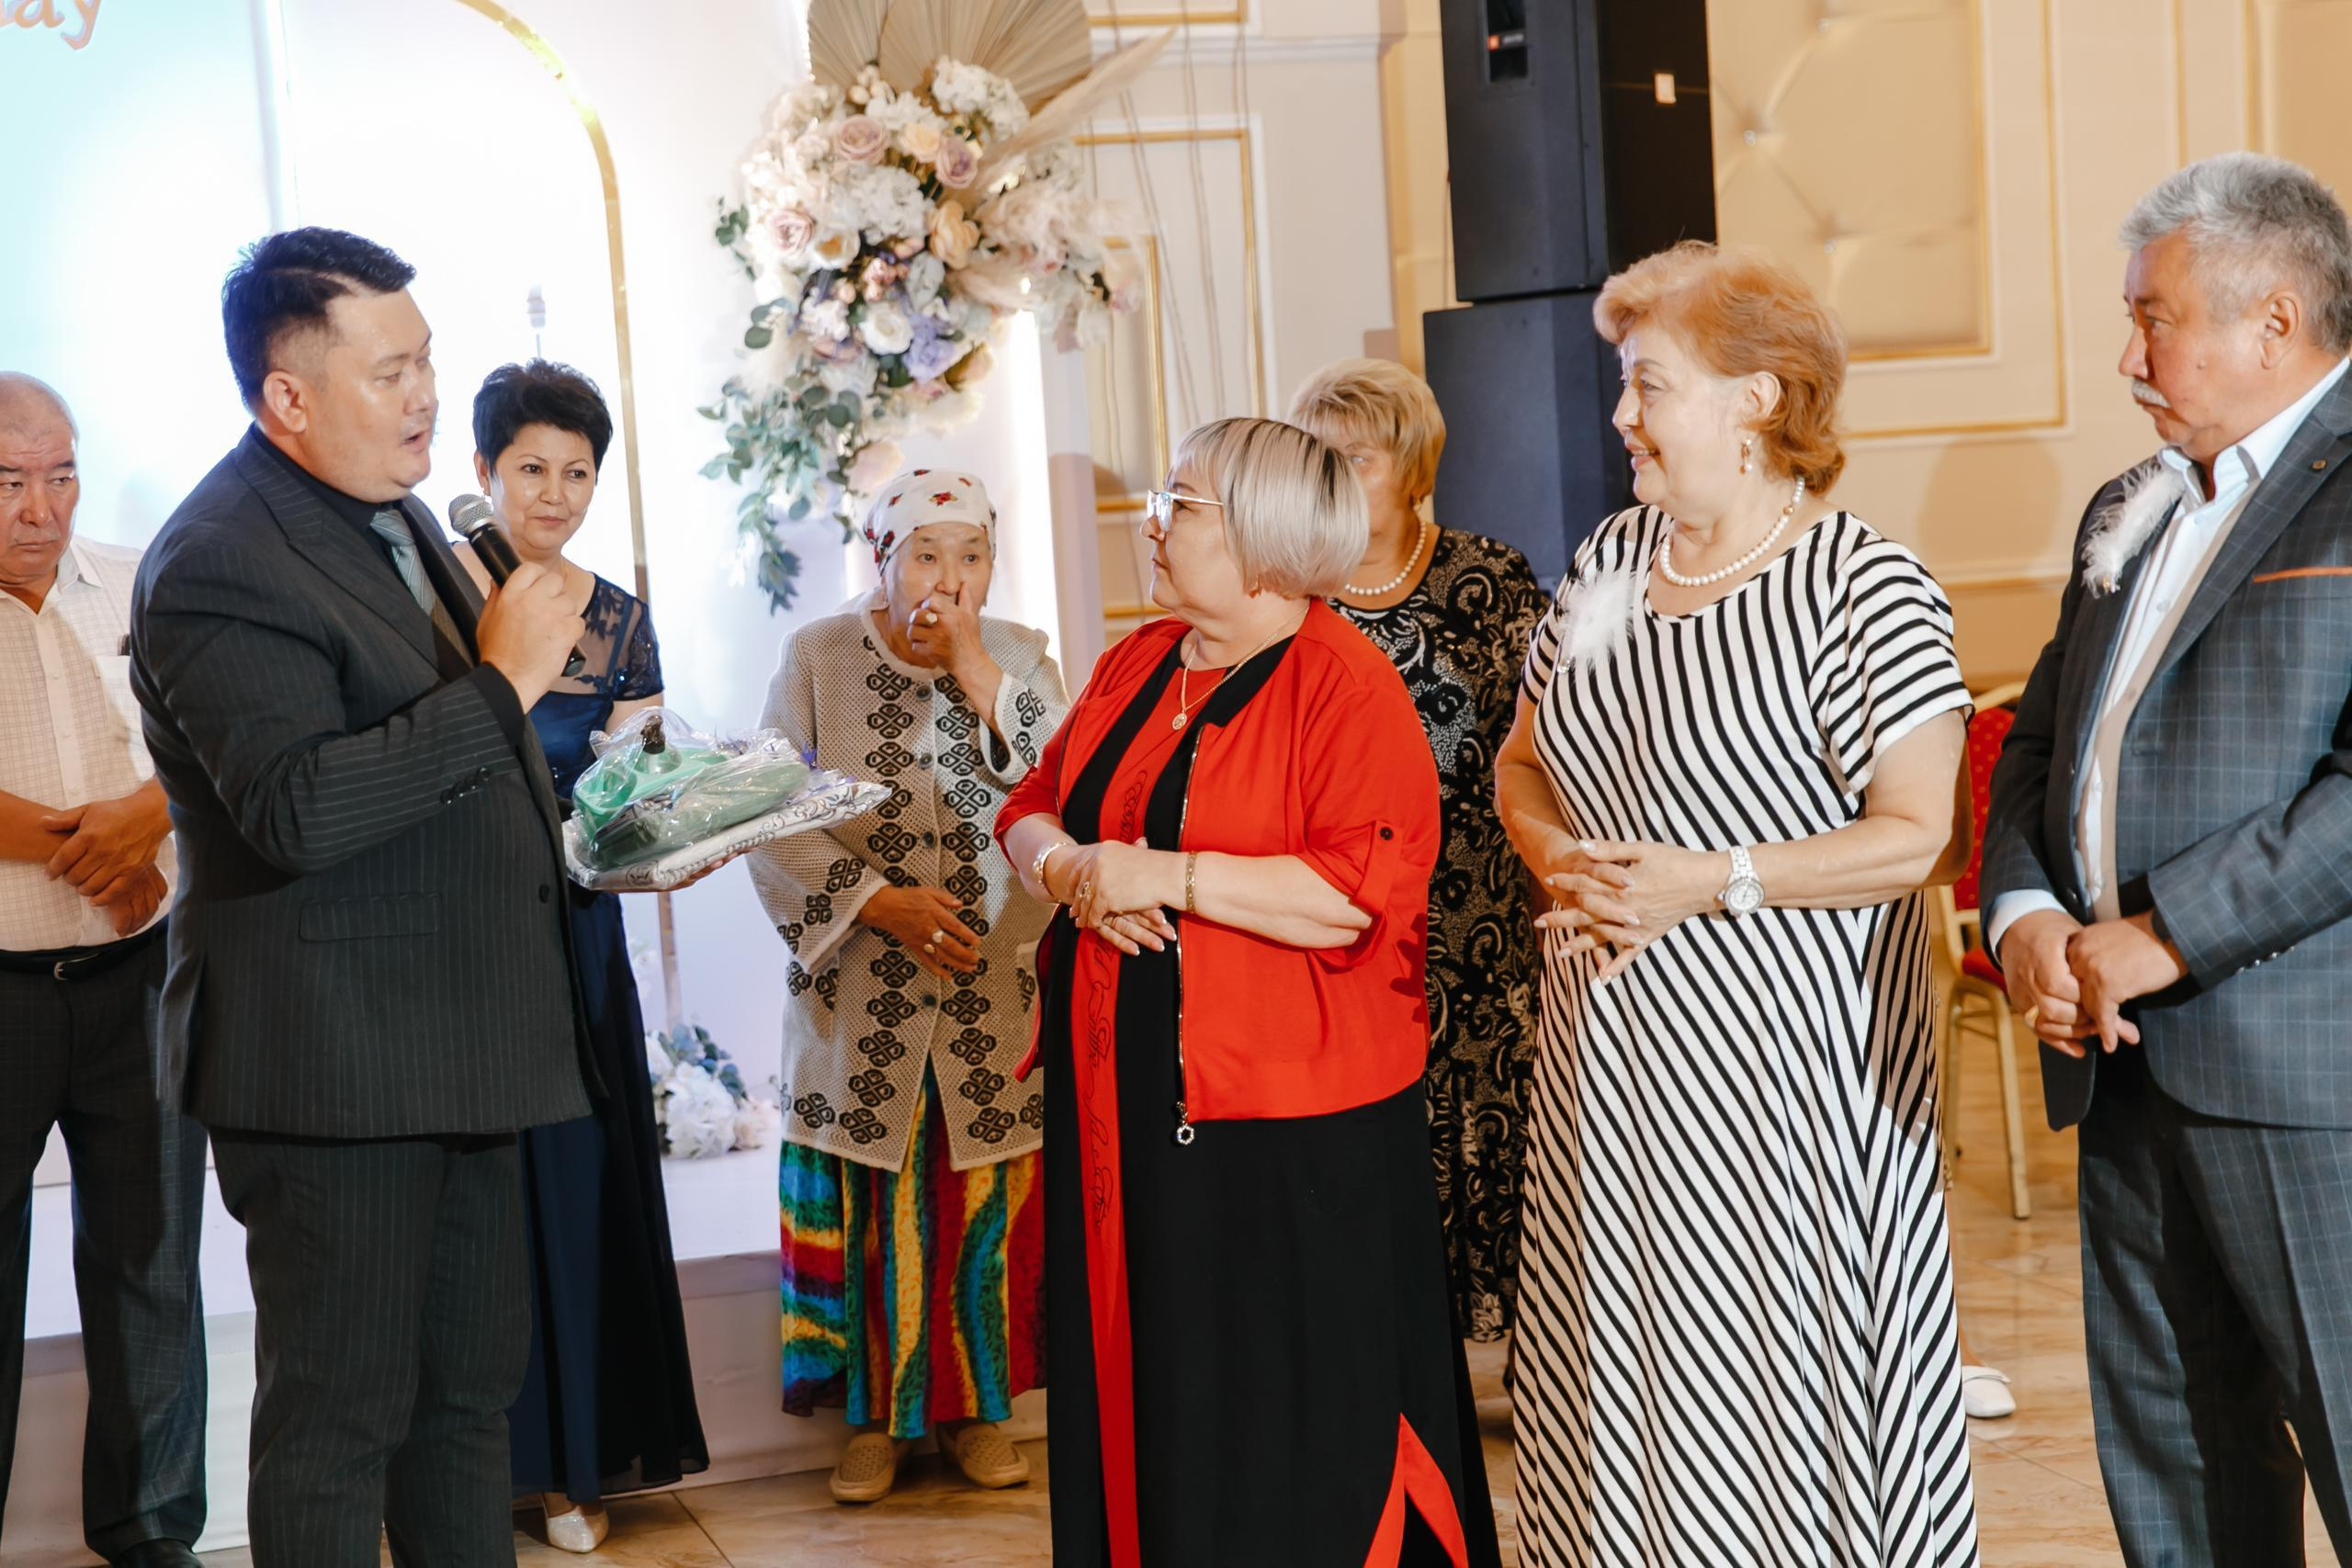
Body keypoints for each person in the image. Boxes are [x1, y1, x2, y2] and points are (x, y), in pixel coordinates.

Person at [1495, 243, 1979, 1564]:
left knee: (1765, 1422)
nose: (1621, 416)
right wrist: (1559, 861)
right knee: (1617, 1407)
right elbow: (1523, 763)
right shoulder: (1605, 565)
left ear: (1759, 399)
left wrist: (1708, 880)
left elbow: (1916, 835)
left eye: (1649, 384)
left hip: (1787, 1098)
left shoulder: (1858, 586)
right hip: (1608, 1076)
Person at [129, 227, 594, 1566]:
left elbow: (452, 774)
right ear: (287, 395)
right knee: (339, 1423)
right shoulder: (220, 555)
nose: (426, 395)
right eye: (390, 370)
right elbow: (300, 807)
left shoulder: (394, 511)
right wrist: (500, 684)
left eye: (428, 361)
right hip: (334, 1065)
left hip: (464, 1042)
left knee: (465, 1409)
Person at [1000, 417, 1500, 1568]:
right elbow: (1028, 802)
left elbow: (1356, 892)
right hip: (1117, 1102)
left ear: (1268, 541)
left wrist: (1163, 875)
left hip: (1280, 1125)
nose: (1153, 524)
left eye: (1182, 505)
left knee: (1277, 1406)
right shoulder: (1138, 659)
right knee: (1150, 1383)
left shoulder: (1345, 688)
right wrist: (1075, 869)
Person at [1982, 152, 2352, 1562]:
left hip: (2306, 1079)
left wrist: (2165, 929)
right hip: (2117, 1056)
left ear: (2274, 320)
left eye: (2157, 316)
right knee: (2177, 1447)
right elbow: (2037, 739)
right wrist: (2026, 918)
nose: (2129, 351)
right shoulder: (2128, 504)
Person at [750, 468, 1068, 1505]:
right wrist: (873, 899)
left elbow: (1069, 785)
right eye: (925, 554)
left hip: (988, 1000)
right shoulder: (816, 659)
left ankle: (982, 1412)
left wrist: (975, 665)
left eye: (971, 556)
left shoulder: (1021, 657)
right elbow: (765, 815)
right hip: (859, 1004)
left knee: (979, 1206)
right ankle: (876, 1422)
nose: (948, 579)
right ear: (881, 560)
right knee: (875, 1203)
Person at [452, 361, 707, 1553]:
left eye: (576, 471)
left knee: (578, 1179)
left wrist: (680, 833)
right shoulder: (440, 600)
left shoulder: (619, 614)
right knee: (478, 1195)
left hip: (579, 930)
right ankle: (469, 1469)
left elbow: (635, 788)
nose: (553, 493)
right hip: (457, 937)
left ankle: (575, 1465)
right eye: (530, 468)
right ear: (483, 471)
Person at [1288, 356, 1546, 1344]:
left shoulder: (1487, 578)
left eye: (1351, 457)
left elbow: (1546, 742)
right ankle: (1398, 1355)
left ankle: (1540, 1362)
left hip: (1481, 916)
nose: (1330, 476)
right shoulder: (1294, 597)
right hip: (1346, 928)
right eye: (1316, 457)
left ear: (1409, 465)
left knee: (1508, 1133)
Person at [0, 375, 207, 1568]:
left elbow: (217, 744)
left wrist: (144, 820)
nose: (43, 507)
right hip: (5, 990)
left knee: (151, 1269)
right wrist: (103, 853)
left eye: (61, 472)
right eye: (12, 479)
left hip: (143, 978)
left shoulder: (141, 581)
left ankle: (151, 1534)